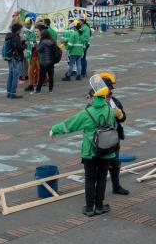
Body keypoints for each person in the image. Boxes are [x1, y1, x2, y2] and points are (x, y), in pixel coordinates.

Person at [49, 74, 118, 217]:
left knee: (90, 179)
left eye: (88, 97)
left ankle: (89, 208)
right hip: (107, 150)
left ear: (93, 98)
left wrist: (54, 129)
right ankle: (99, 206)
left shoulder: (86, 113)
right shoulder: (110, 110)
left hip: (90, 151)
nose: (88, 100)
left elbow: (69, 125)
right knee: (101, 179)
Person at [98, 72, 129, 194]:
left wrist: (120, 114)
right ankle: (98, 190)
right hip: (100, 140)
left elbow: (123, 118)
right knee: (101, 166)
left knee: (115, 163)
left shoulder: (115, 102)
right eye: (107, 91)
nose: (110, 94)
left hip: (114, 138)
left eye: (110, 91)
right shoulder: (94, 103)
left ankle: (116, 186)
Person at [2, 21, 26, 98]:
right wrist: (24, 44)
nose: (21, 31)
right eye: (20, 29)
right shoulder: (16, 37)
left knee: (11, 75)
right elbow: (20, 48)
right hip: (15, 58)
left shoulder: (9, 36)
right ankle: (13, 93)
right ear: (18, 30)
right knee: (15, 76)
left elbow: (14, 45)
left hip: (9, 58)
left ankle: (9, 92)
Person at [35, 25, 60, 93]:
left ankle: (38, 90)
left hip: (43, 62)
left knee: (41, 77)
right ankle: (50, 90)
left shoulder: (43, 42)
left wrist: (36, 45)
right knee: (51, 76)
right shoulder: (52, 41)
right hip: (51, 61)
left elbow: (39, 50)